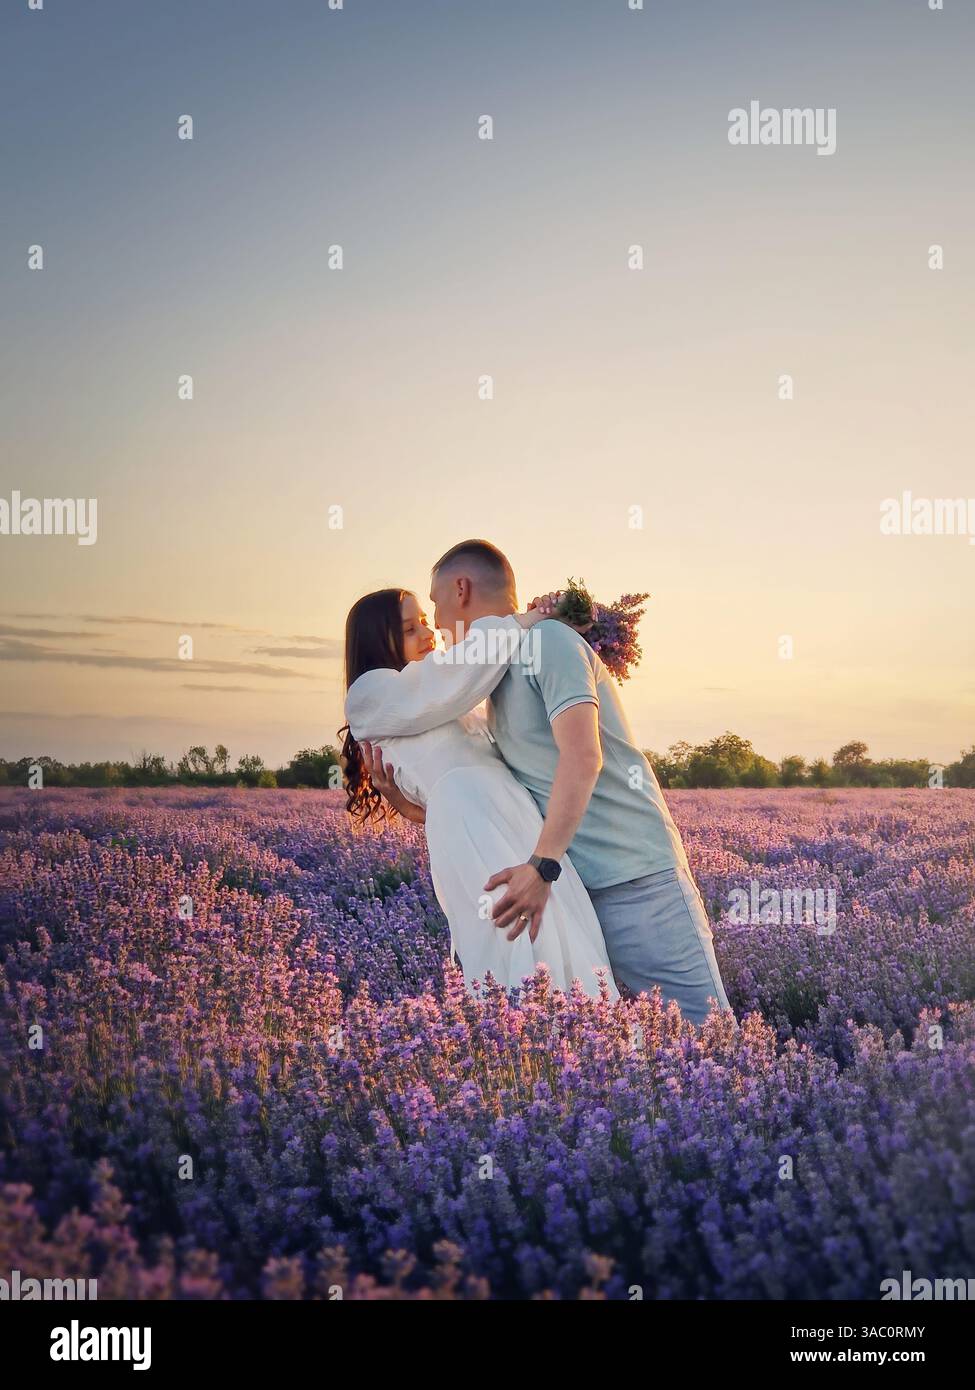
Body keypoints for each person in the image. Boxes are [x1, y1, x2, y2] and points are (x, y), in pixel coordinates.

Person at [356, 540, 734, 1029]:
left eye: (433, 603)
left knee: (711, 1041)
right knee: (626, 1053)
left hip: (636, 885)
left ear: (461, 589)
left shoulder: (547, 643)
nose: (432, 620)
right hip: (572, 892)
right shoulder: (487, 680)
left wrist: (541, 867)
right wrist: (416, 809)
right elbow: (496, 793)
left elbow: (583, 757)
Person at [340, 587, 619, 1000]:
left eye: (425, 621)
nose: (428, 632)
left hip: (513, 813)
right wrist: (522, 622)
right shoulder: (368, 694)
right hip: (473, 823)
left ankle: (586, 1051)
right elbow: (452, 680)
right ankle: (532, 1048)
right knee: (517, 940)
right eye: (409, 628)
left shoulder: (437, 696)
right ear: (377, 638)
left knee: (566, 932)